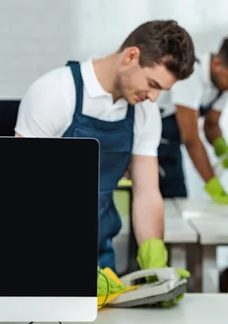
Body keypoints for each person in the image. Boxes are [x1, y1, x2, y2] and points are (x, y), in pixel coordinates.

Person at [14, 20, 195, 306]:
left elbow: (147, 194)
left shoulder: (144, 112)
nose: (153, 97)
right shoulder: (56, 93)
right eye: (152, 84)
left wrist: (154, 258)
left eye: (162, 90)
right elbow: (19, 192)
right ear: (131, 56)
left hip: (101, 263)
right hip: (40, 261)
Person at [156, 36, 228, 203]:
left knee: (177, 202)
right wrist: (215, 189)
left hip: (171, 149)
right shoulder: (190, 74)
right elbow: (190, 139)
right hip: (146, 144)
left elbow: (211, 126)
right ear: (217, 64)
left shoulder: (222, 85)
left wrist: (222, 148)